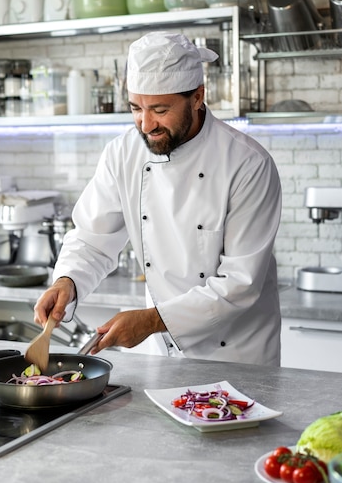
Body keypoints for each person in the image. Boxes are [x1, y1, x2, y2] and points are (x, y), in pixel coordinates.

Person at [34, 32, 282, 366]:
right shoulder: (122, 153)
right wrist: (67, 281)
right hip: (162, 354)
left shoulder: (247, 164)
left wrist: (150, 321)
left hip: (238, 354)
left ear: (197, 97)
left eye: (160, 109)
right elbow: (93, 239)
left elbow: (240, 283)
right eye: (136, 108)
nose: (146, 124)